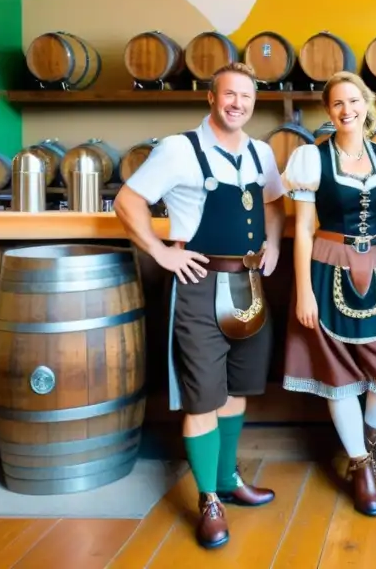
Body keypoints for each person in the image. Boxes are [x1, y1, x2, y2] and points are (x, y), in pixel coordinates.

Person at [113, 62, 285, 550]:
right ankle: (209, 498)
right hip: (198, 284)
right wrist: (161, 251)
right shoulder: (178, 149)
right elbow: (128, 201)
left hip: (248, 283)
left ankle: (228, 477)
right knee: (202, 395)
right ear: (211, 98)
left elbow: (274, 203)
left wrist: (272, 244)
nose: (238, 104)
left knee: (236, 389)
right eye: (229, 95)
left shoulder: (261, 152)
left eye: (247, 98)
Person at [281, 71, 376, 517]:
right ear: (329, 110)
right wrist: (303, 290)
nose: (347, 110)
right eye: (337, 103)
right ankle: (361, 465)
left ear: (366, 105)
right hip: (326, 265)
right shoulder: (310, 158)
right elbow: (302, 229)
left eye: (353, 101)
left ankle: (368, 440)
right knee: (335, 372)